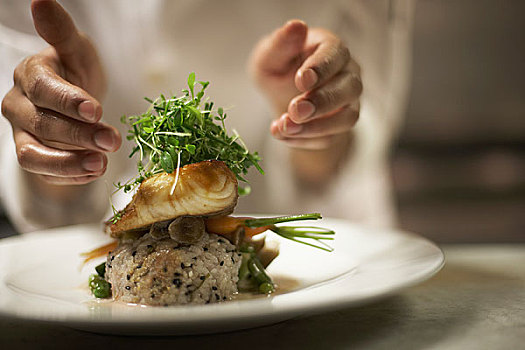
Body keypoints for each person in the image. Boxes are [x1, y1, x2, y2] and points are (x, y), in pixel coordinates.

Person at [0, 0, 415, 233]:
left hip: (322, 278)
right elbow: (19, 134)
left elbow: (365, 127)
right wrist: (56, 141)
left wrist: (315, 121)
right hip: (81, 287)